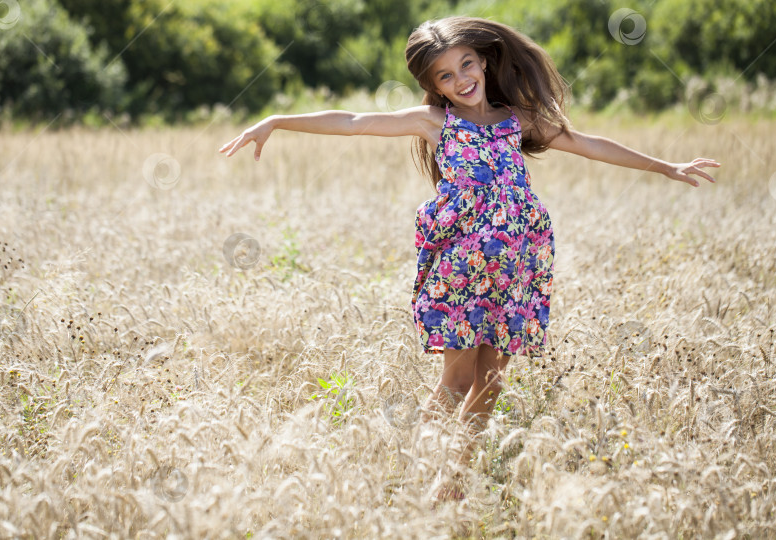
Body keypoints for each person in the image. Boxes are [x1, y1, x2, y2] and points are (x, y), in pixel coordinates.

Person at [219, 15, 719, 500]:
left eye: (466, 65)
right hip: (462, 268)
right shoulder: (435, 122)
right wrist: (276, 120)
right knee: (457, 380)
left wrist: (665, 166)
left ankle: (451, 482)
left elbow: (587, 143)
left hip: (517, 265)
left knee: (493, 380)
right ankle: (416, 474)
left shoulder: (517, 121)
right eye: (445, 74)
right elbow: (352, 121)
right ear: (434, 85)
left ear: (482, 61)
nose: (460, 79)